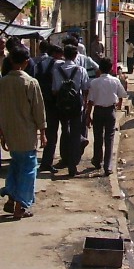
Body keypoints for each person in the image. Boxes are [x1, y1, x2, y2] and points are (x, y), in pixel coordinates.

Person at [0, 46, 46, 219]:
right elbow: (38, 110)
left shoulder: (3, 82)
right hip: (26, 133)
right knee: (28, 169)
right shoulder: (30, 83)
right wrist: (43, 132)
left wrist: (2, 132)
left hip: (10, 132)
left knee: (16, 165)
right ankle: (20, 206)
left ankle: (11, 199)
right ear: (26, 62)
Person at [52, 44, 89, 177]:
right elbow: (85, 88)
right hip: (76, 107)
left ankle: (65, 158)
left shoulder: (57, 70)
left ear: (64, 55)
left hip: (62, 106)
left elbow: (55, 90)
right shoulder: (80, 70)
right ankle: (72, 166)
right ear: (75, 56)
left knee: (64, 131)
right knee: (75, 133)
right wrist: (83, 104)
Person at [85, 58, 127, 176]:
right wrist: (119, 104)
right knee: (109, 139)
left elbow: (90, 101)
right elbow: (122, 94)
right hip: (110, 111)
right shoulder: (115, 81)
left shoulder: (94, 82)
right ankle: (108, 166)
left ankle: (97, 160)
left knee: (98, 137)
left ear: (99, 68)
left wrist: (88, 116)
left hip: (98, 111)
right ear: (110, 68)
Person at [37, 44, 63, 174]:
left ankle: (45, 161)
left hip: (40, 100)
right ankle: (47, 162)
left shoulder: (39, 64)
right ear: (56, 54)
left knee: (45, 130)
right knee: (52, 133)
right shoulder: (58, 65)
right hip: (53, 102)